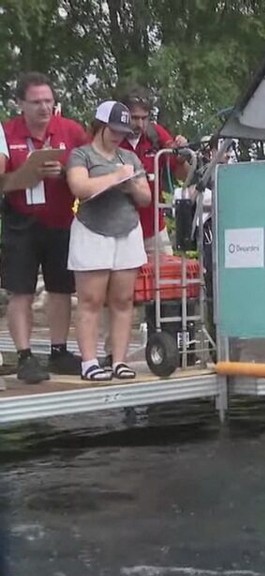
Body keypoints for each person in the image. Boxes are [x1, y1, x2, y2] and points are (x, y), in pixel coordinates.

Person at [0, 72, 90, 384]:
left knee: (61, 288)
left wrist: (65, 172)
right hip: (21, 219)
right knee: (21, 290)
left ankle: (59, 351)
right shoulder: (6, 132)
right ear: (20, 104)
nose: (43, 108)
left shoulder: (71, 130)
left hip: (61, 218)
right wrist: (25, 175)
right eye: (36, 102)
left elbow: (91, 165)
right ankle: (25, 356)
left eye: (48, 101)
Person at [64, 101, 152, 382]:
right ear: (100, 126)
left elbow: (146, 198)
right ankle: (89, 361)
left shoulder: (130, 157)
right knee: (91, 299)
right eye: (113, 129)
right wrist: (114, 177)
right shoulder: (82, 155)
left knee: (123, 299)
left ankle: (119, 360)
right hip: (92, 230)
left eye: (122, 131)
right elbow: (79, 187)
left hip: (126, 229)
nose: (118, 136)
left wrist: (133, 185)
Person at [117, 85, 189, 257]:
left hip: (153, 228)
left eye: (144, 118)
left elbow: (182, 175)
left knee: (166, 278)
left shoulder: (155, 134)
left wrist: (182, 155)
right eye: (134, 118)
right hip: (118, 230)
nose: (140, 124)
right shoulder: (111, 136)